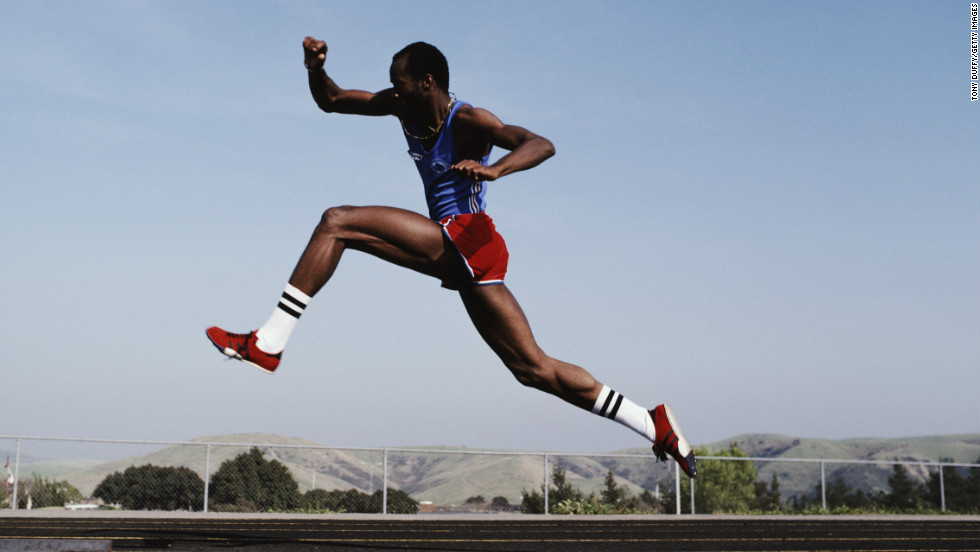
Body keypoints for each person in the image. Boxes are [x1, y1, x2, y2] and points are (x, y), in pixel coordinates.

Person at [206, 37, 696, 478]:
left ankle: (268, 342)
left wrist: (497, 169)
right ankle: (649, 422)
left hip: (469, 237)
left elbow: (540, 143)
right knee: (532, 370)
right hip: (464, 255)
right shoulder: (403, 108)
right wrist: (316, 69)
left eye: (399, 83)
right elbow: (333, 101)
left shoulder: (467, 119)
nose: (391, 91)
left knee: (338, 220)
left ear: (427, 82)